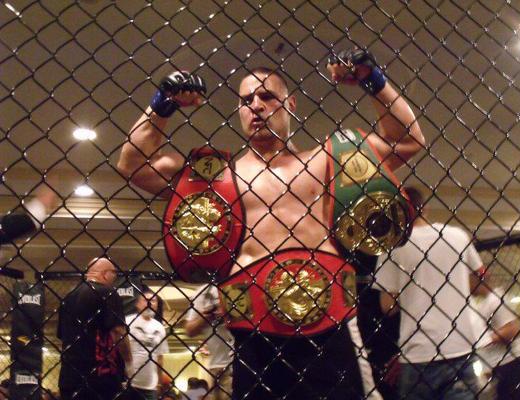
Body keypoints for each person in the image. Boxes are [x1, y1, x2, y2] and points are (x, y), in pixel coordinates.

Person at [118, 48, 424, 399]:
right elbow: (132, 166)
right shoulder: (216, 177)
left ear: (290, 104)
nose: (256, 106)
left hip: (328, 332)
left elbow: (408, 140)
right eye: (246, 100)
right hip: (254, 337)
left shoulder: (328, 160)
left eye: (267, 97)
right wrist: (161, 106)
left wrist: (375, 82)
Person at [374, 186, 484, 399]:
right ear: (425, 208)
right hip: (461, 344)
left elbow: (388, 306)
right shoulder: (457, 236)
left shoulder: (393, 246)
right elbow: (479, 279)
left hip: (419, 351)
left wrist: (410, 290)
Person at [57, 257, 132, 400]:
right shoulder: (108, 292)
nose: (115, 278)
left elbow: (62, 335)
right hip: (100, 377)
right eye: (114, 273)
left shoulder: (68, 298)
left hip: (69, 376)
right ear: (105, 274)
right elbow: (118, 332)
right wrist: (129, 362)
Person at [470, 270, 520, 400]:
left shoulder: (496, 299)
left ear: (476, 279)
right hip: (499, 367)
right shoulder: (484, 303)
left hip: (509, 365)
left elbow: (512, 329)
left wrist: (484, 340)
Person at [184, 285, 234, 400]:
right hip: (219, 366)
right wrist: (208, 316)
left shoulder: (240, 282)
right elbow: (189, 329)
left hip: (244, 358)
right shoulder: (204, 292)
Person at [125, 288, 169, 400]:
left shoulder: (159, 327)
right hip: (129, 382)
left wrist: (159, 382)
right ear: (138, 304)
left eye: (153, 300)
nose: (150, 303)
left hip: (150, 386)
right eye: (145, 300)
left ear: (157, 305)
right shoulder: (128, 322)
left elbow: (160, 358)